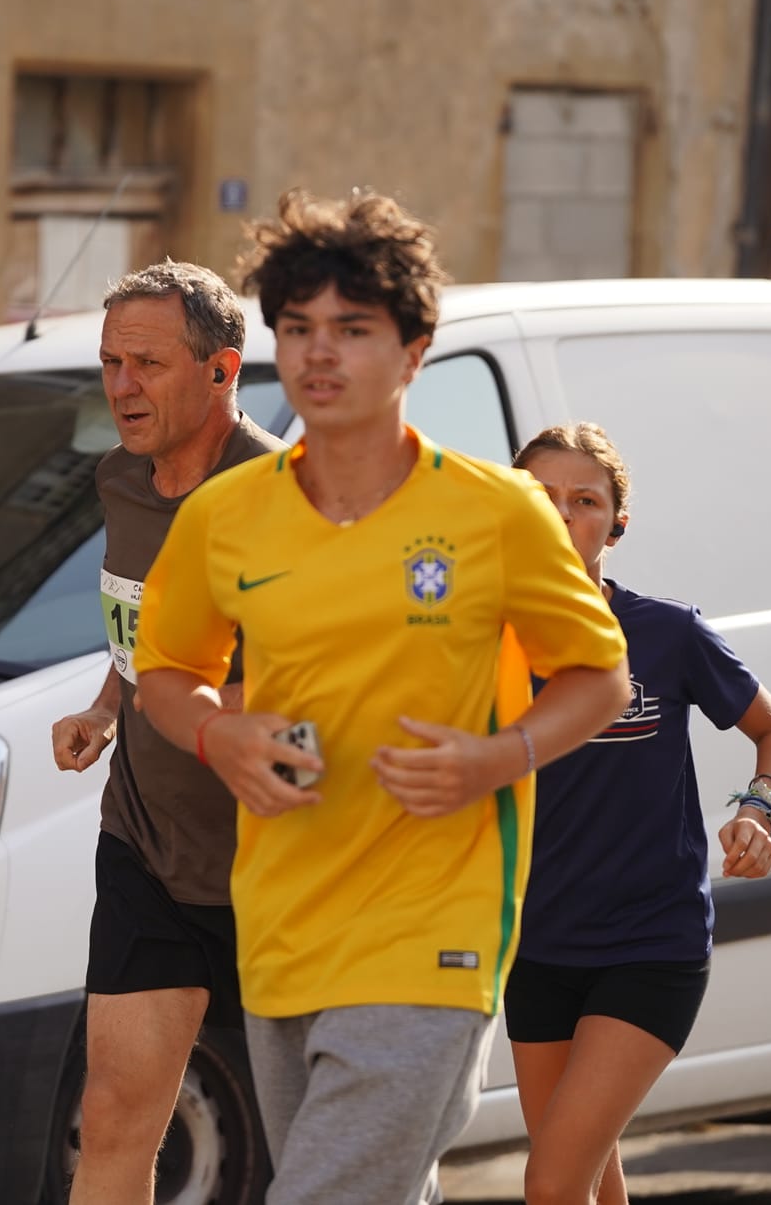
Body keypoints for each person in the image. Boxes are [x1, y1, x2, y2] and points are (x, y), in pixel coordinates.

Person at [131, 189, 632, 1205]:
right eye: (298, 328)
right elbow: (165, 674)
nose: (319, 353)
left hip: (433, 932)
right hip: (283, 923)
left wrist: (496, 758)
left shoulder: (497, 511)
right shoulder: (226, 516)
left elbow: (599, 676)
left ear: (413, 351)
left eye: (352, 329)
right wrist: (221, 737)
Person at [504, 421, 771, 1205]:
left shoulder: (667, 633)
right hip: (534, 945)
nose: (563, 513)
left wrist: (760, 812)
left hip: (650, 943)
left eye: (585, 500)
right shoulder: (481, 641)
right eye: (542, 496)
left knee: (551, 1182)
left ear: (616, 525)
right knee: (585, 1181)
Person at [48, 261, 284, 1205]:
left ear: (222, 369)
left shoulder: (282, 497)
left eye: (146, 363)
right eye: (110, 362)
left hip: (279, 862)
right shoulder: (120, 479)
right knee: (112, 1115)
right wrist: (108, 707)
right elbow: (146, 627)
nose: (121, 385)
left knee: (318, 1147)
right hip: (146, 845)